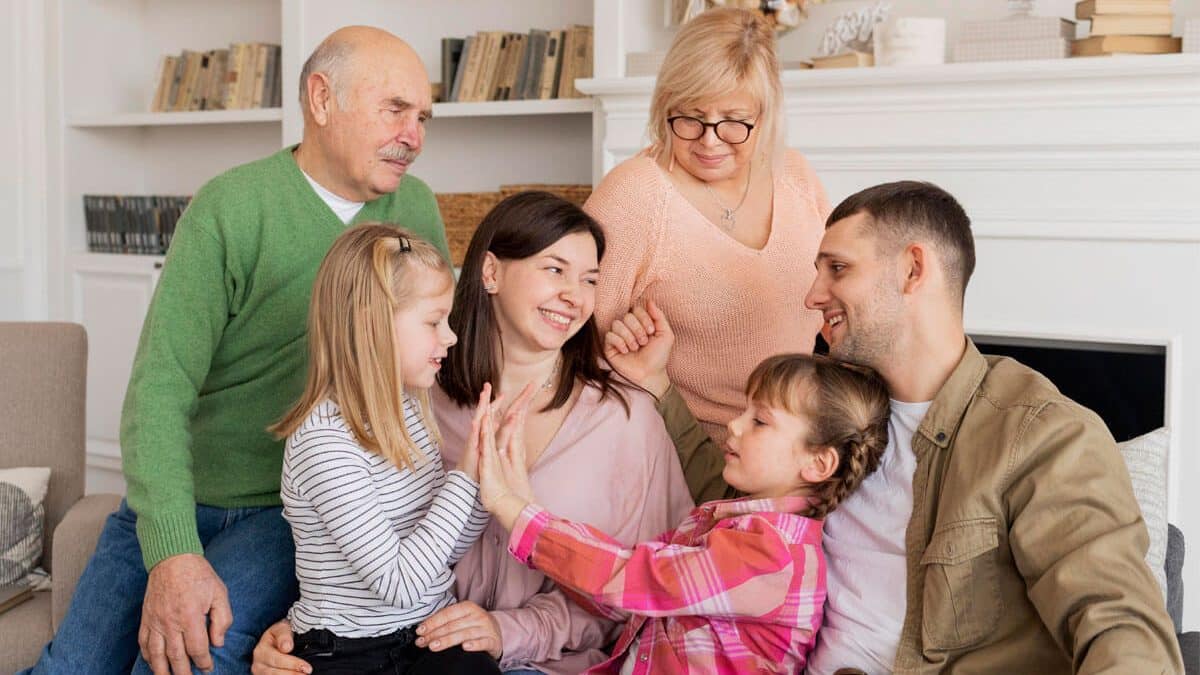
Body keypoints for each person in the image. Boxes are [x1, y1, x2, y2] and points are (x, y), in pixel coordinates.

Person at [605, 180, 1184, 673]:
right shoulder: (839, 405)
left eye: (837, 269)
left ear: (912, 269)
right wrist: (658, 385)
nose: (812, 296)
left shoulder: (1040, 434)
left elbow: (1118, 622)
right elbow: (743, 502)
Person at [21, 26, 447, 675]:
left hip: (290, 509)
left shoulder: (413, 210)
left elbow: (435, 361)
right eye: (395, 109)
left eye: (423, 117)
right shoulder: (231, 207)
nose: (414, 136)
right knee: (67, 668)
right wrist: (173, 551)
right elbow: (159, 389)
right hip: (180, 493)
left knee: (183, 660)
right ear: (321, 98)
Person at [250, 192, 694, 675]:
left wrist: (510, 631)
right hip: (420, 644)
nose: (576, 295)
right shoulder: (418, 397)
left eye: (590, 279)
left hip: (548, 663)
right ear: (491, 272)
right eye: (555, 269)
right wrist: (300, 630)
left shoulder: (625, 419)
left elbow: (653, 586)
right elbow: (358, 558)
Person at [472, 352, 889, 674]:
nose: (735, 425)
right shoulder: (722, 524)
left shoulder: (773, 555)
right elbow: (628, 598)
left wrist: (517, 514)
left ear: (818, 463)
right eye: (744, 411)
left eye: (760, 421)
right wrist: (527, 509)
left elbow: (635, 578)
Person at [589, 8, 829, 447]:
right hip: (687, 451)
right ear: (666, 105)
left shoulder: (794, 174)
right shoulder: (634, 195)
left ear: (765, 114)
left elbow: (836, 301)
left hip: (796, 448)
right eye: (691, 118)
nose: (710, 140)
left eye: (734, 121)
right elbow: (577, 343)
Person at [266, 224, 499, 674]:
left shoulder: (410, 410)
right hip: (346, 653)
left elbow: (445, 549)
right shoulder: (323, 441)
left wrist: (487, 471)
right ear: (371, 324)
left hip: (425, 633)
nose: (450, 337)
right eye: (433, 322)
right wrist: (464, 475)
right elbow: (399, 584)